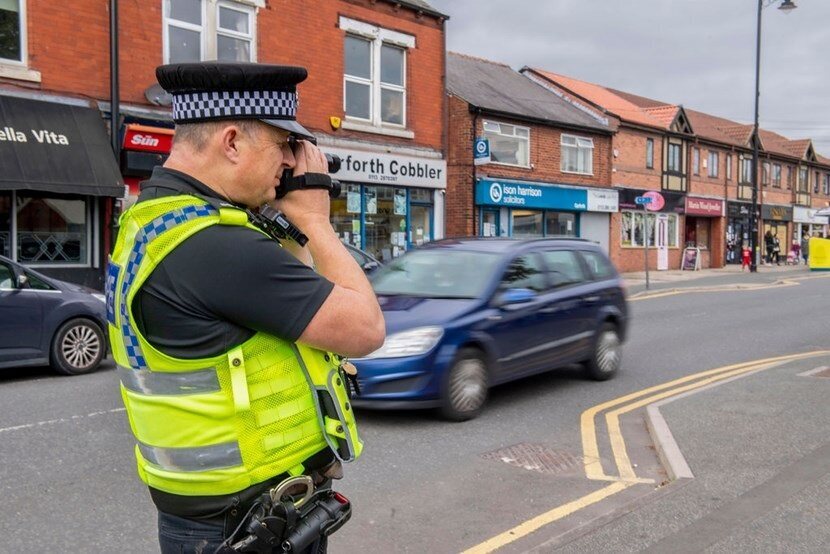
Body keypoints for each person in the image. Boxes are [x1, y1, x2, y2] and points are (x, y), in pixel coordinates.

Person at [106, 62, 385, 553]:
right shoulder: (216, 247)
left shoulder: (156, 222)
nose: (290, 161)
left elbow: (291, 314)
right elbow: (364, 328)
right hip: (242, 527)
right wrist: (317, 222)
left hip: (223, 518)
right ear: (231, 142)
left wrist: (286, 216)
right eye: (284, 144)